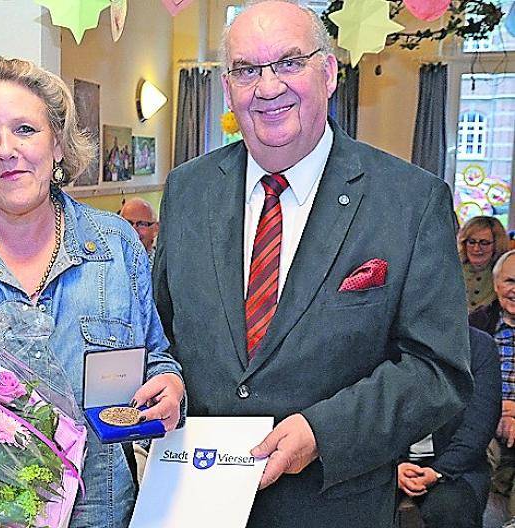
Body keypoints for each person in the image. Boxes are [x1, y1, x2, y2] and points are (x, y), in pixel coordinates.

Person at [152, 1, 472, 526]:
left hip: (333, 505)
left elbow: (437, 371)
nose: (267, 86)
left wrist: (323, 433)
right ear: (227, 87)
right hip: (196, 500)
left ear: (328, 73)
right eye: (247, 70)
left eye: (288, 62)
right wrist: (163, 378)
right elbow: (163, 334)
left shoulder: (409, 202)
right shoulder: (188, 190)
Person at [0, 56, 184, 528]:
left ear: (58, 145)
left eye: (25, 129)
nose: (6, 150)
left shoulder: (118, 245)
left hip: (103, 513)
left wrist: (170, 386)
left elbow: (154, 356)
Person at [396, 327, 500, 528]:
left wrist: (438, 471)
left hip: (456, 467)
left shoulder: (479, 346)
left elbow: (479, 426)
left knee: (451, 511)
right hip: (386, 464)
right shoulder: (387, 341)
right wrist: (394, 468)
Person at [470, 249, 515, 522]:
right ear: (496, 284)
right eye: (511, 282)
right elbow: (460, 384)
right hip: (483, 423)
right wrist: (496, 410)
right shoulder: (475, 325)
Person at [458, 216, 508, 312]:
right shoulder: (449, 269)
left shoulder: (506, 274)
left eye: (484, 243)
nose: (476, 248)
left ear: (497, 244)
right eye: (471, 242)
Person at [119, 197, 159, 262]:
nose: (133, 230)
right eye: (128, 223)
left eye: (142, 224)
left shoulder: (164, 266)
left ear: (156, 229)